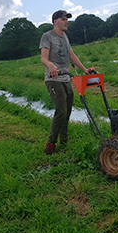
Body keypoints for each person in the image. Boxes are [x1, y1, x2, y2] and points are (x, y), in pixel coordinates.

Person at [39, 10, 91, 155]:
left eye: (67, 19)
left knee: (67, 111)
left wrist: (84, 69)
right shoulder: (47, 36)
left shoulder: (65, 37)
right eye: (63, 19)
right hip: (53, 79)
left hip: (66, 78)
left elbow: (71, 55)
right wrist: (50, 65)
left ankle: (64, 140)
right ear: (55, 21)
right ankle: (51, 143)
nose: (66, 21)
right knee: (61, 111)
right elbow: (43, 58)